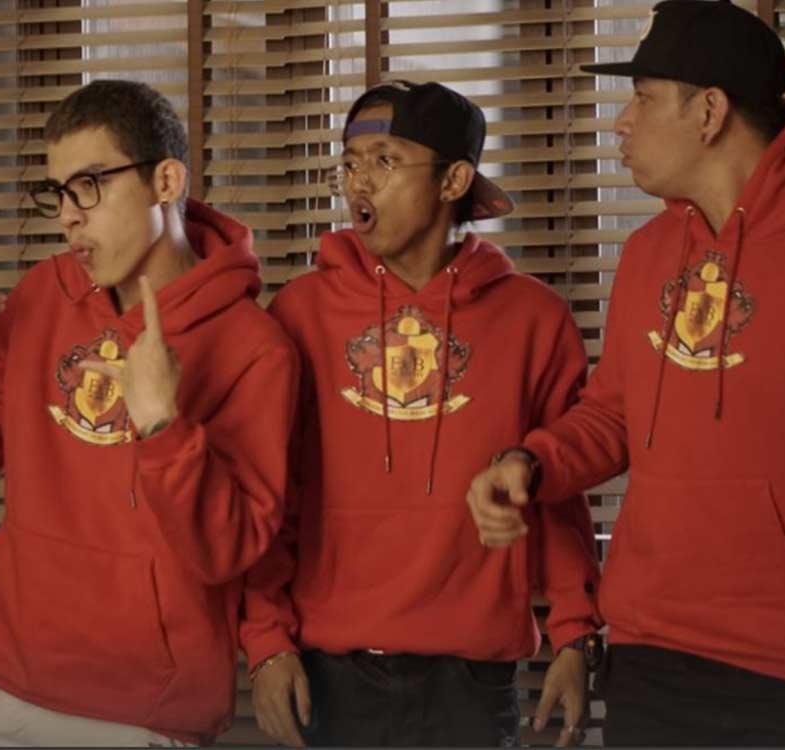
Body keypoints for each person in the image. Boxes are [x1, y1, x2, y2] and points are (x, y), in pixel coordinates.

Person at [466, 0, 785, 745]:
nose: (622, 122)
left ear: (709, 111)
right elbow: (613, 412)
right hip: (648, 653)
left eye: (643, 99)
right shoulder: (650, 252)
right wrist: (531, 463)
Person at [0, 79, 299, 746]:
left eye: (89, 186)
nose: (68, 216)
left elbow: (229, 549)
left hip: (143, 712)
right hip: (1, 685)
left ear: (166, 181)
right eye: (58, 192)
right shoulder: (43, 294)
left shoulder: (255, 348)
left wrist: (163, 427)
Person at [239, 80, 603, 748]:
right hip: (329, 676)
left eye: (384, 160)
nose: (359, 182)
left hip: (474, 685)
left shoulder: (533, 320)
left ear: (453, 180)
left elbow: (554, 491)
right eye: (350, 163)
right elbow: (271, 493)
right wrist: (265, 643)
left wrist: (576, 633)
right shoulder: (299, 314)